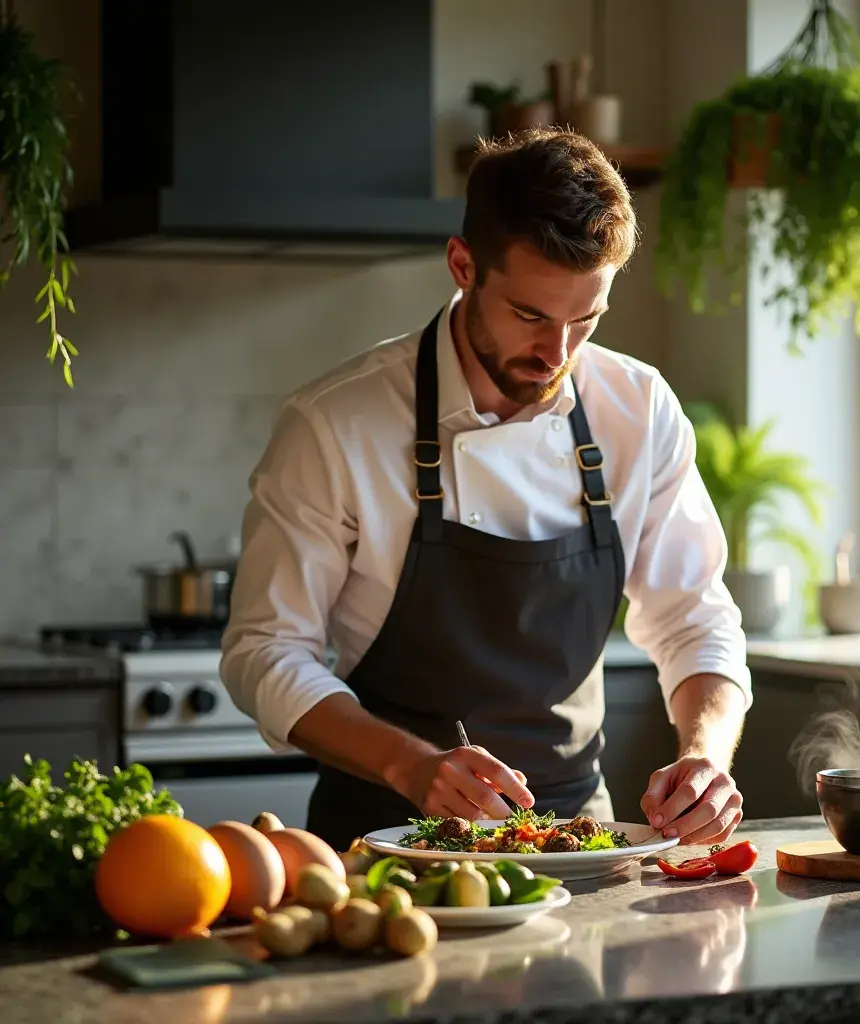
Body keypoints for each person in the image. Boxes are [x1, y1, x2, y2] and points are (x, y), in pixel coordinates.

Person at [221, 128, 751, 852]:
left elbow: (696, 620)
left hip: (579, 847)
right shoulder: (336, 424)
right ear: (463, 265)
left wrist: (705, 759)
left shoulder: (638, 409)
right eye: (530, 316)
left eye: (586, 321)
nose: (557, 355)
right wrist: (412, 765)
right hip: (383, 847)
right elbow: (265, 651)